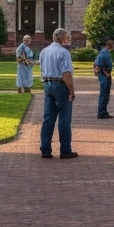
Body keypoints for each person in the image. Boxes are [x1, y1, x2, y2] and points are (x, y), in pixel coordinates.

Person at [39, 27, 77, 159]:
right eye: (67, 37)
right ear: (61, 38)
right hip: (60, 85)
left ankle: (45, 149)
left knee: (48, 118)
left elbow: (42, 69)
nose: (68, 40)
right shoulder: (63, 52)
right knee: (64, 118)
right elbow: (66, 73)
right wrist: (71, 91)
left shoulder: (44, 51)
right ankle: (65, 149)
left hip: (47, 84)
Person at [93, 38, 114, 119]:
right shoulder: (104, 53)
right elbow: (98, 64)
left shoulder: (105, 52)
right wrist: (105, 73)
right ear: (111, 45)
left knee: (106, 94)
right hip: (104, 75)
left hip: (105, 74)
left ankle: (104, 111)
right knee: (104, 94)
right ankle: (101, 112)